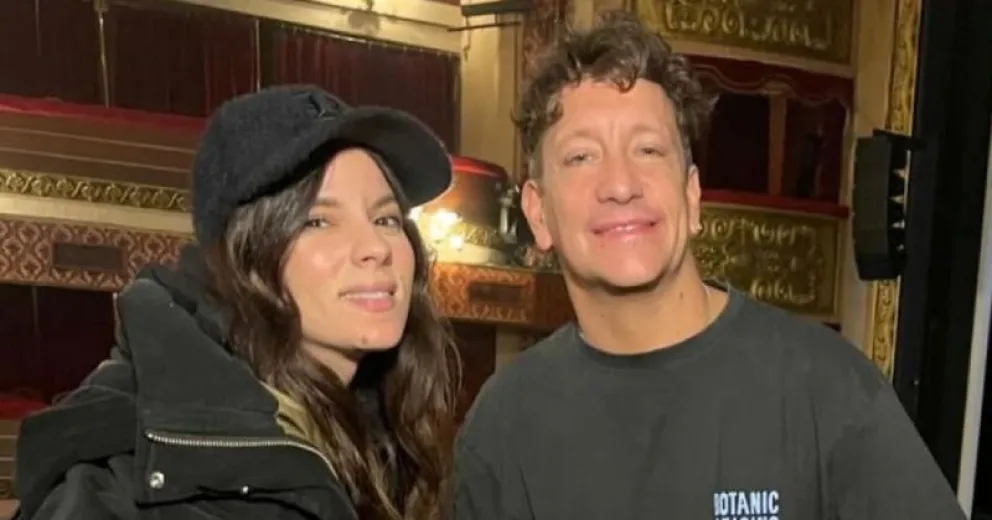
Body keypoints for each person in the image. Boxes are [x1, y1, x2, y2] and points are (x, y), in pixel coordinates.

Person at [449, 11, 967, 520]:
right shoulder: (504, 427)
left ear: (692, 195)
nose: (621, 185)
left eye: (648, 149)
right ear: (538, 213)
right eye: (582, 157)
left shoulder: (826, 390)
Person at [13, 85, 459, 520]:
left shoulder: (381, 431)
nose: (376, 247)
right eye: (318, 221)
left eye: (386, 218)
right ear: (242, 256)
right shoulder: (126, 485)